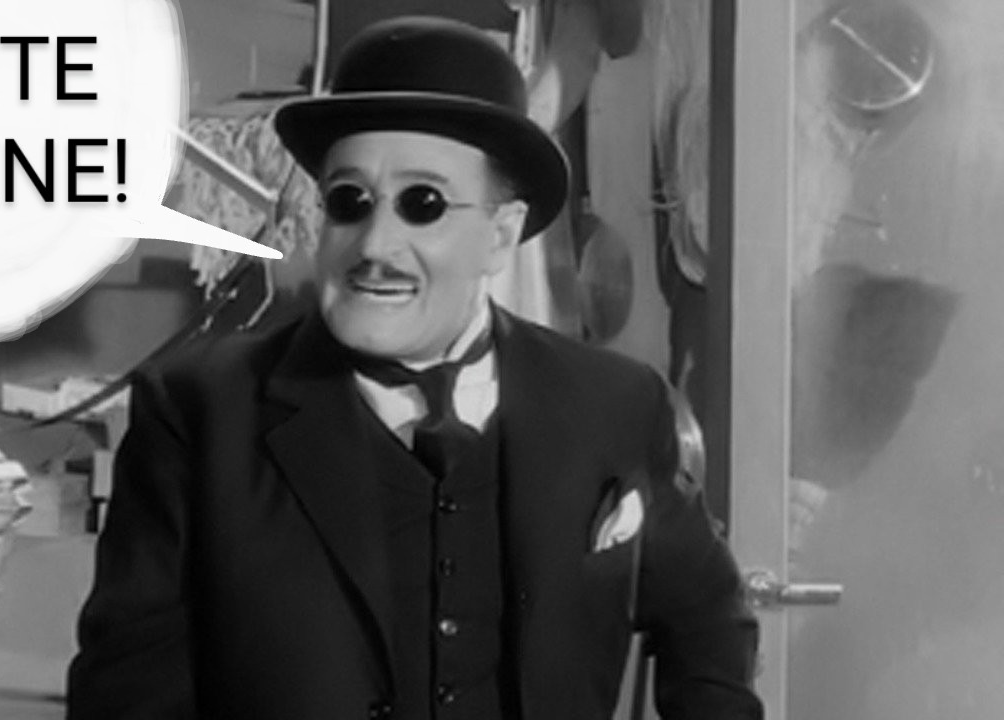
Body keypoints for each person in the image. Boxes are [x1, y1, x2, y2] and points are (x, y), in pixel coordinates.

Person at [67, 16, 761, 720]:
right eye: (349, 202)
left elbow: (709, 620)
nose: (375, 245)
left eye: (422, 204)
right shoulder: (199, 413)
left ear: (501, 234)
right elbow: (127, 701)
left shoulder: (612, 405)